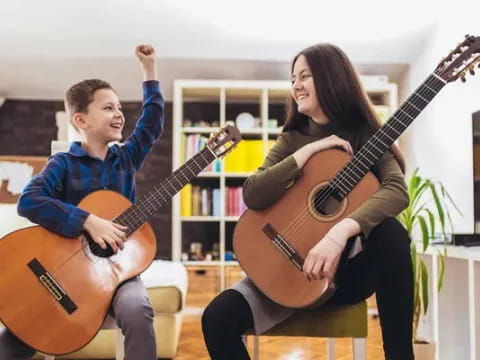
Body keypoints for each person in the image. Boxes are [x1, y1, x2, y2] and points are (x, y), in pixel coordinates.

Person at [202, 43, 414, 360]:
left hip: (345, 276)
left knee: (392, 233)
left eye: (305, 76)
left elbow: (397, 189)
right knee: (216, 318)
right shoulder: (291, 139)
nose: (296, 85)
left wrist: (339, 232)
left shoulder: (367, 134)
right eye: (293, 78)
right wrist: (308, 152)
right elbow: (253, 192)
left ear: (332, 78)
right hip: (286, 269)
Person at [0, 44, 164, 360]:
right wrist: (88, 220)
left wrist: (149, 69)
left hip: (117, 272)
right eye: (107, 108)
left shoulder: (126, 158)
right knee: (15, 334)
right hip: (64, 273)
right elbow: (29, 201)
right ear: (81, 120)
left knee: (137, 308)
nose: (119, 114)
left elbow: (152, 121)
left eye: (119, 107)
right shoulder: (62, 163)